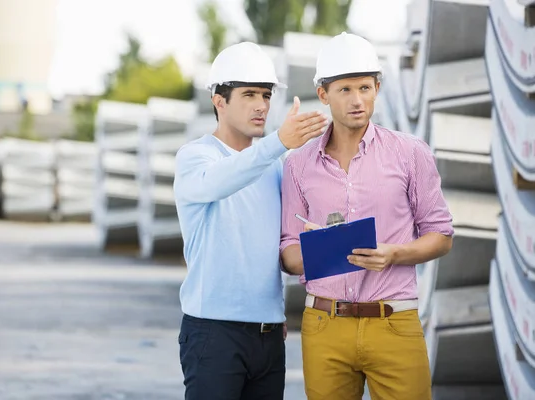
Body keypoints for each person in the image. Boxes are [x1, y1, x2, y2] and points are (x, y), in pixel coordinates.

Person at [279, 32, 454, 400]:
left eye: (365, 87)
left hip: (394, 322)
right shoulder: (297, 164)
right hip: (324, 326)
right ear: (323, 94)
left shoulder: (410, 153)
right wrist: (323, 251)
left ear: (377, 87)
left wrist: (394, 254)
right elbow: (288, 254)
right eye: (345, 89)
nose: (357, 100)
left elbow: (441, 234)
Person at [173, 41, 329, 400]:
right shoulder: (196, 158)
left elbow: (282, 245)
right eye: (248, 95)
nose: (261, 105)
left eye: (266, 94)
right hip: (214, 335)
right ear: (219, 101)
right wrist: (279, 142)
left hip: (269, 335)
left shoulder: (274, 167)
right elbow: (224, 179)